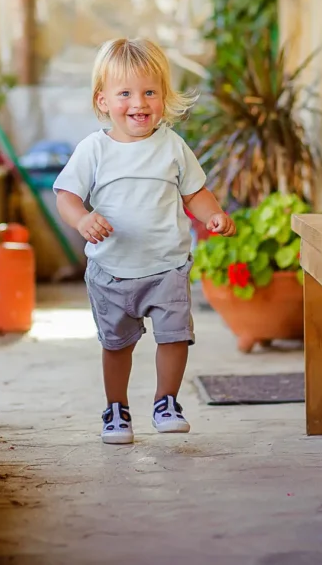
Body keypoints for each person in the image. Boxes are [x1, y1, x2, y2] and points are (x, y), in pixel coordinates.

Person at [53, 38, 236, 445]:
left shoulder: (172, 146)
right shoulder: (94, 150)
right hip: (112, 271)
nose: (139, 102)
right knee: (117, 344)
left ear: (164, 97)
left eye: (150, 91)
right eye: (125, 93)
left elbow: (194, 193)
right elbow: (66, 196)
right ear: (103, 101)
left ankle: (165, 401)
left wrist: (213, 214)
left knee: (174, 336)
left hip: (167, 266)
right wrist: (82, 219)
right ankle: (116, 408)